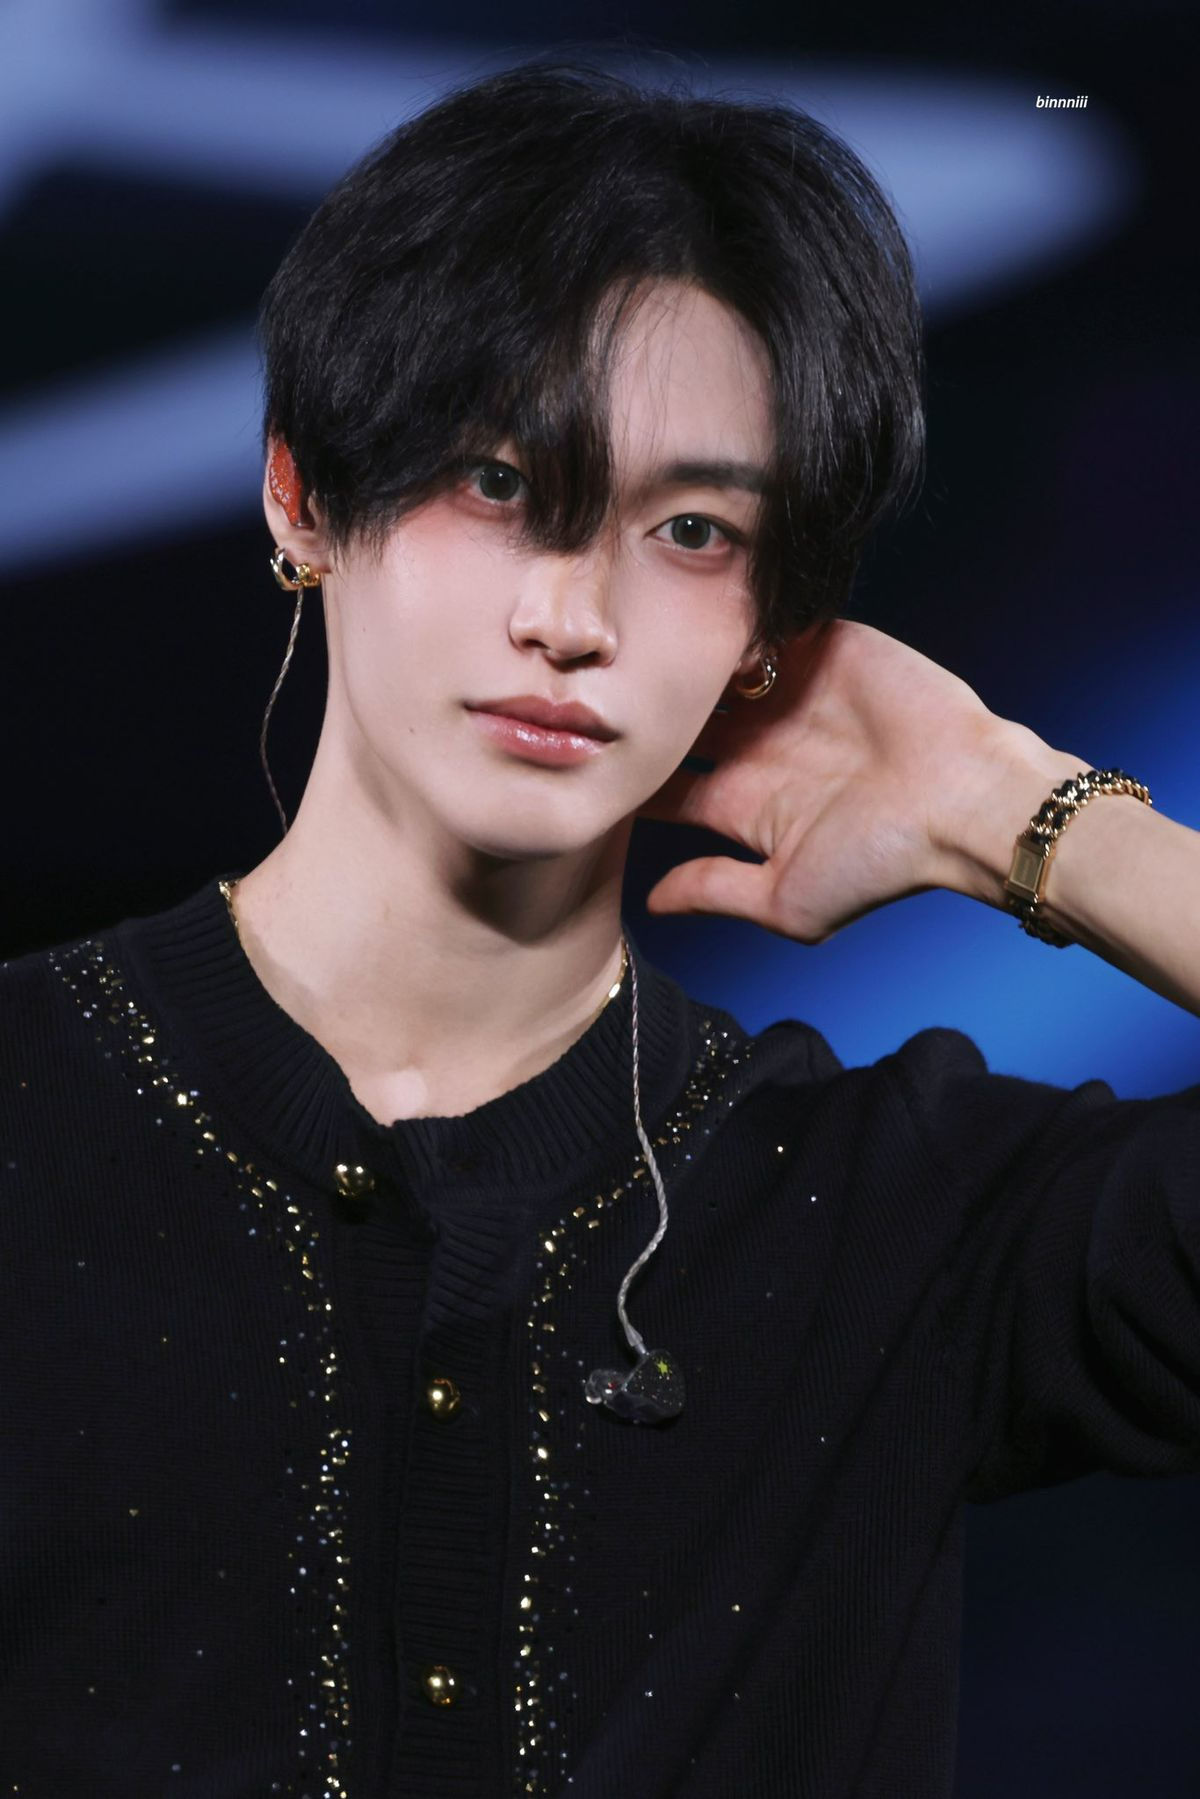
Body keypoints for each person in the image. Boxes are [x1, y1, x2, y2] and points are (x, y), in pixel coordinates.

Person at [2, 55, 1198, 1799]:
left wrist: (1019, 807)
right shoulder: (29, 1112)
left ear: (771, 621)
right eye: (500, 485)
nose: (575, 616)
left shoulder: (890, 1214)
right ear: (302, 499)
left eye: (692, 529)